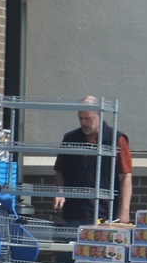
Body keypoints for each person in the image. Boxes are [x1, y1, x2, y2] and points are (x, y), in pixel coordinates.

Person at [53, 96, 133, 225]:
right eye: (80, 118)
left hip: (104, 213)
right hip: (73, 213)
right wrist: (59, 192)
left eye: (88, 119)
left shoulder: (116, 140)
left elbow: (125, 177)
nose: (83, 122)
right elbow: (59, 171)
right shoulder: (70, 139)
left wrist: (124, 211)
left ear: (99, 116)